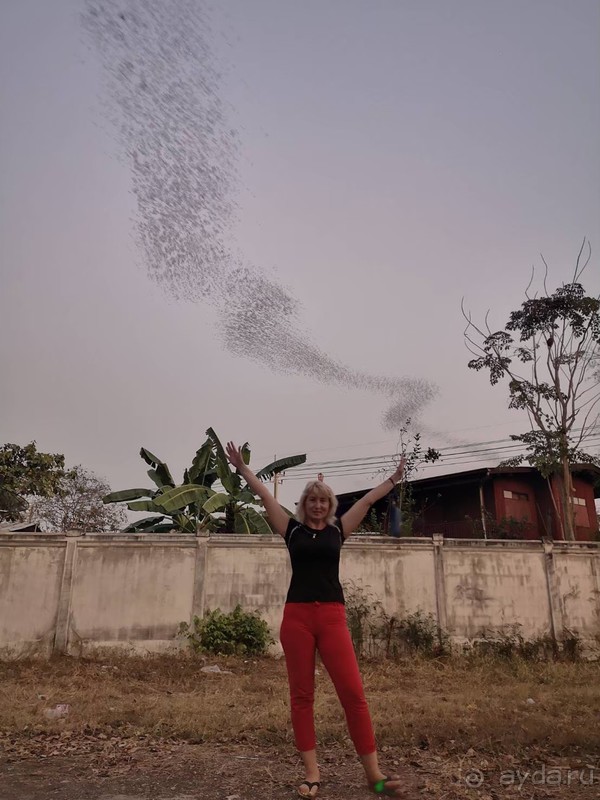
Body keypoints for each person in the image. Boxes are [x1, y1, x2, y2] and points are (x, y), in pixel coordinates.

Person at [226, 441, 407, 798]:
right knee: (302, 697)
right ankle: (312, 773)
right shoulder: (290, 530)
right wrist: (244, 469)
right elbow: (264, 495)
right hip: (296, 619)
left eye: (324, 500)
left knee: (354, 694)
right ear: (304, 504)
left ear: (330, 505)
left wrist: (393, 480)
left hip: (332, 617)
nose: (318, 505)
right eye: (312, 500)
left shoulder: (339, 530)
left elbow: (367, 502)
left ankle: (374, 776)